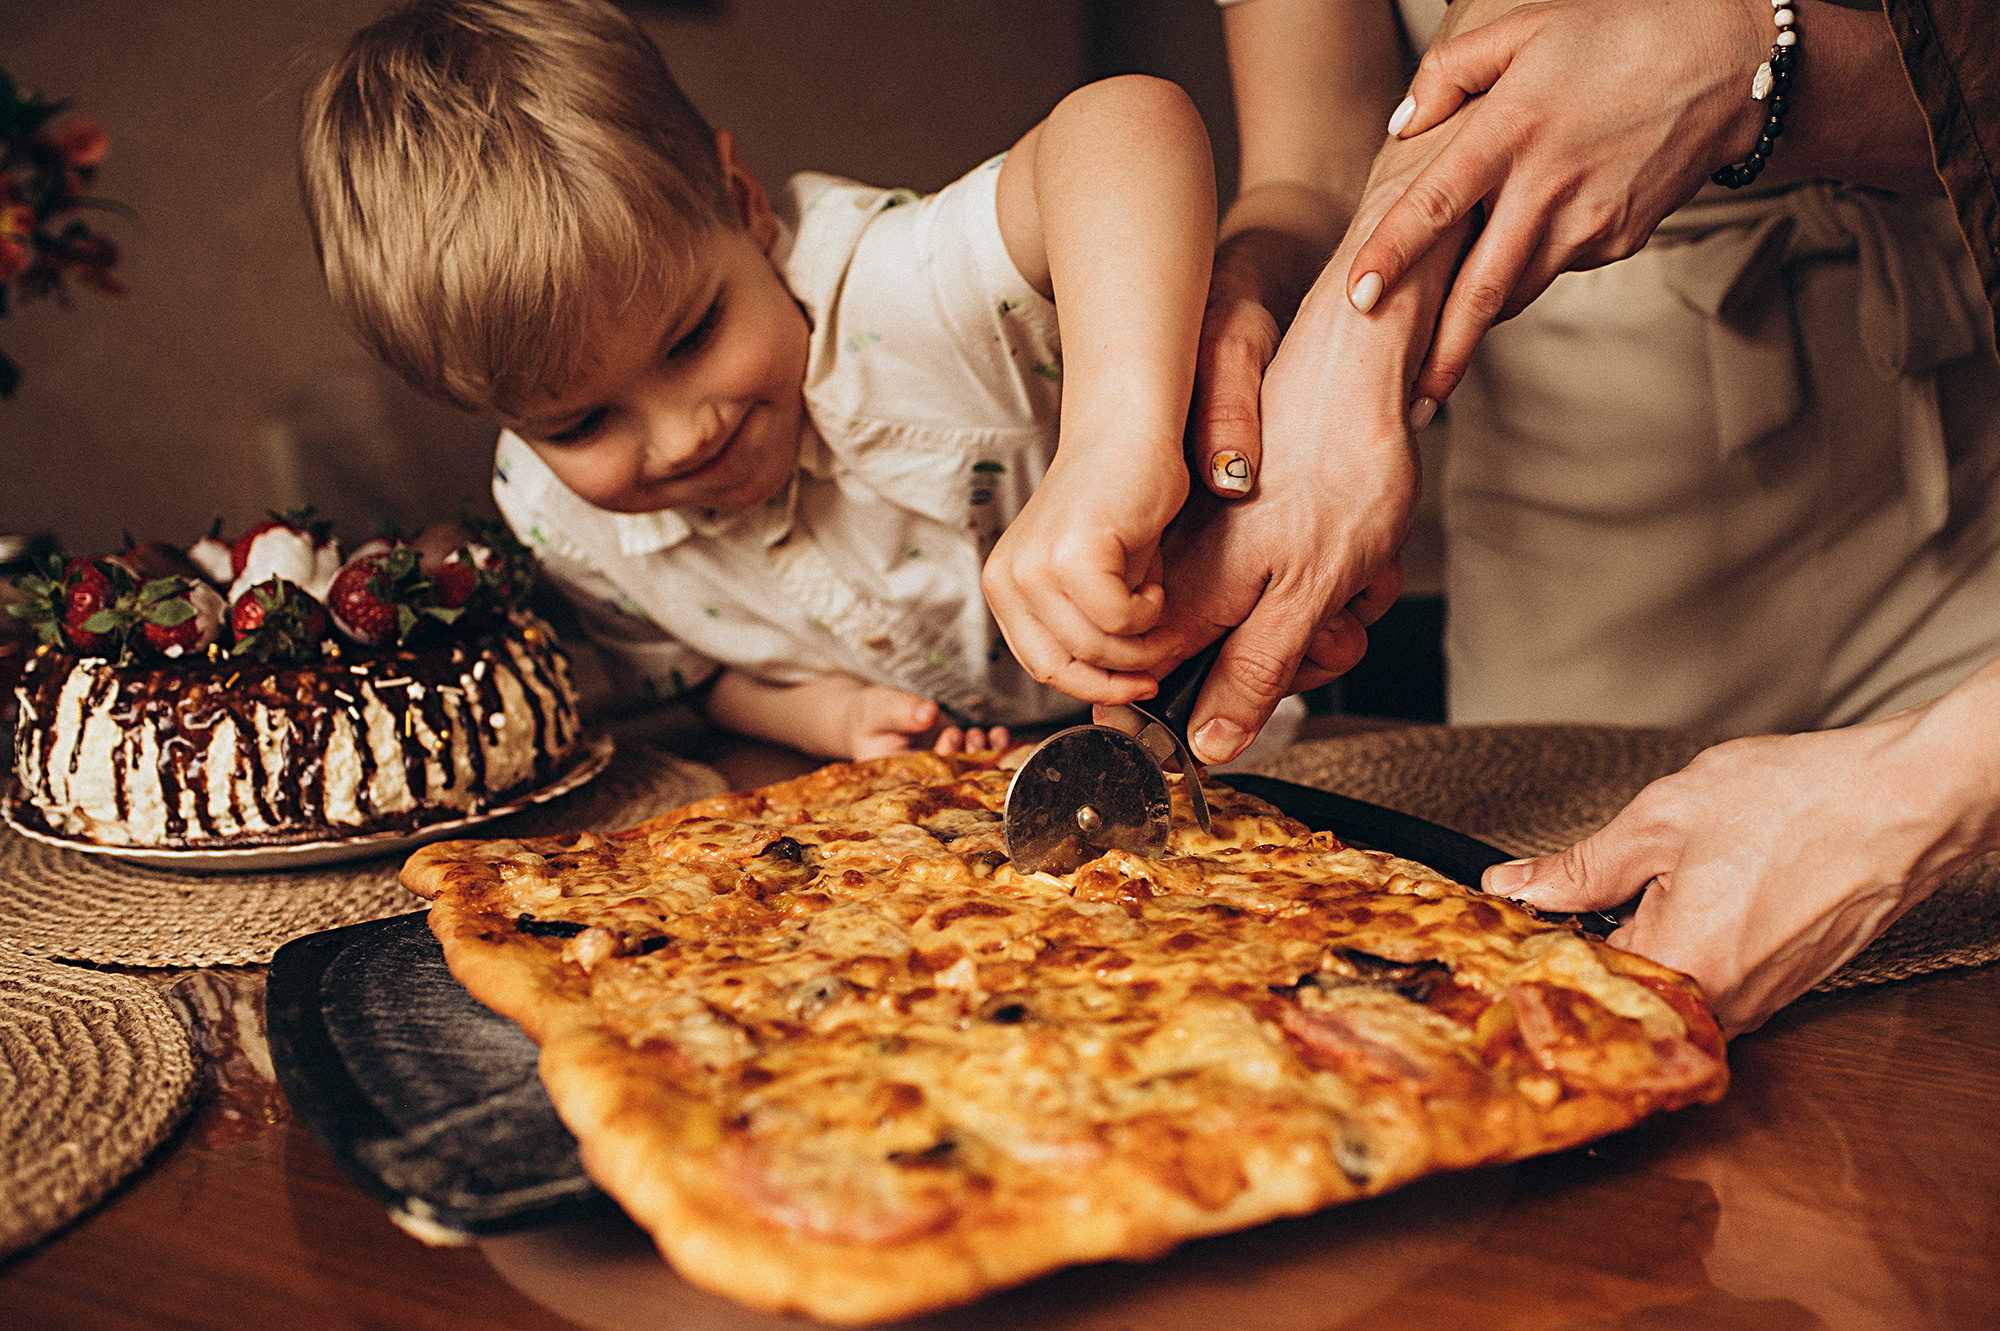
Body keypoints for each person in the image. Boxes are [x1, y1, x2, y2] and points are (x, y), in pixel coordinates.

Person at [1150, 0, 2000, 1038]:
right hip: (1591, 499)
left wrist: (1752, 62)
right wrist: (1259, 301)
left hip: (1961, 406)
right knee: (1560, 1003)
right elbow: (1317, 162)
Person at [297, 0, 1218, 761]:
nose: (680, 435)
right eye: (579, 424)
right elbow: (693, 677)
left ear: (743, 207)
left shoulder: (892, 294)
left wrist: (1112, 443)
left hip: (1218, 730)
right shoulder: (551, 509)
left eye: (692, 337)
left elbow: (1125, 121)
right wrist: (830, 714)